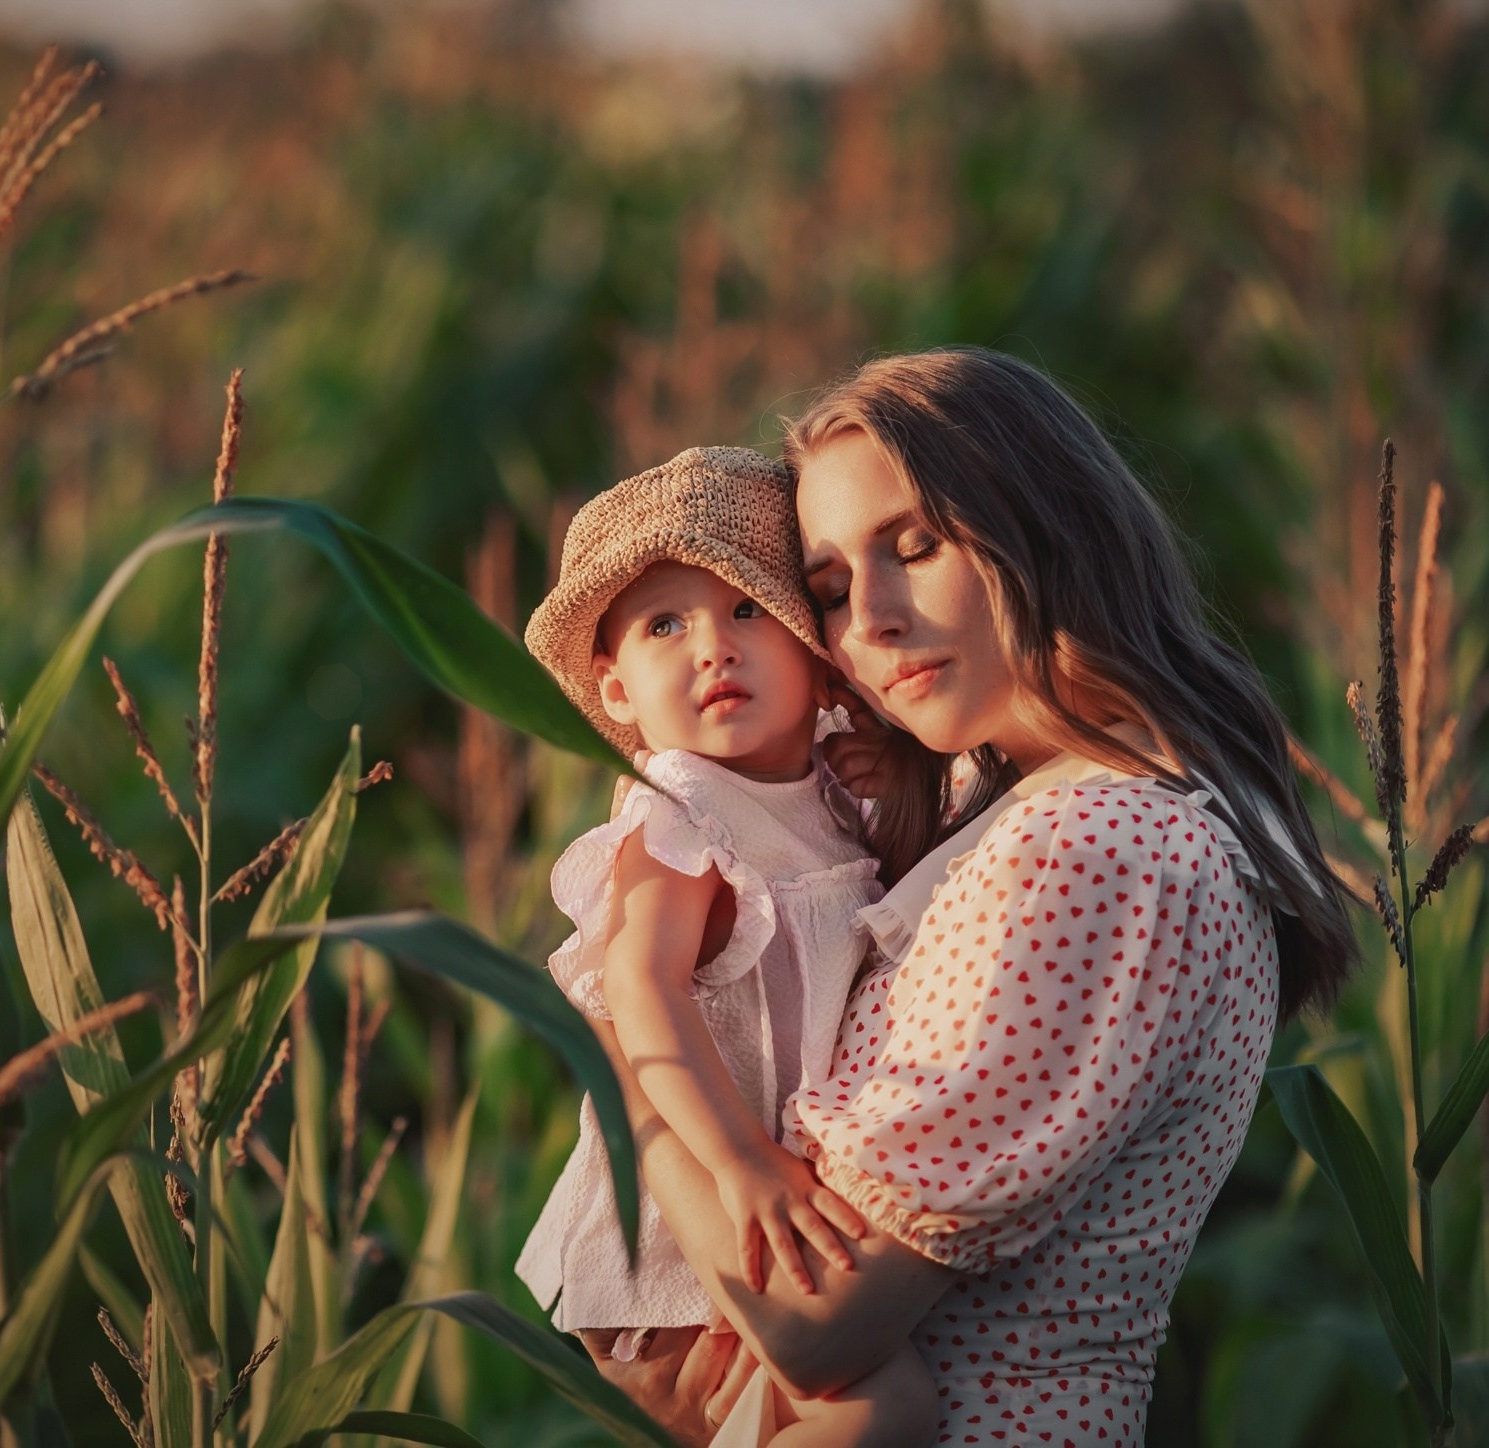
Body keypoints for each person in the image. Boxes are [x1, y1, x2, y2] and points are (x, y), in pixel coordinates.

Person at [582, 349, 1358, 1446]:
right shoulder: (1006, 802)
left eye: (915, 545)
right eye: (831, 590)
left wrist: (619, 1064)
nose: (873, 621)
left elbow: (812, 1322)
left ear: (1052, 526)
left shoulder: (1098, 851)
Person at [516, 445, 939, 1448]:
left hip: (756, 1201)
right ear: (615, 690)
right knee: (888, 1411)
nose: (714, 646)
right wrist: (739, 1160)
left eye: (747, 610)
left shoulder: (826, 798)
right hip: (685, 1220)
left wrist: (896, 772)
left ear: (814, 644)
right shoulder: (684, 803)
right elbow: (638, 985)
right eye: (666, 623)